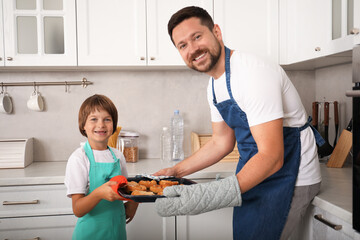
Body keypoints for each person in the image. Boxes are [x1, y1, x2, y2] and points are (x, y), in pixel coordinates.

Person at [154, 6, 324, 240]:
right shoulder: (214, 84)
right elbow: (220, 142)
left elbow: (272, 157)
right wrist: (175, 171)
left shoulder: (253, 73)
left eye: (197, 36)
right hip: (254, 173)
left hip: (291, 176)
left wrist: (209, 196)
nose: (193, 49)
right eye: (183, 45)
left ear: (216, 31)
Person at [65, 94, 138, 240]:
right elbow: (78, 209)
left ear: (114, 125)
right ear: (83, 125)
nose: (101, 125)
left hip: (117, 232)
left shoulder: (118, 156)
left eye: (107, 119)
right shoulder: (79, 158)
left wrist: (133, 204)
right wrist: (99, 193)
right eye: (94, 119)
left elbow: (126, 190)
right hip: (90, 234)